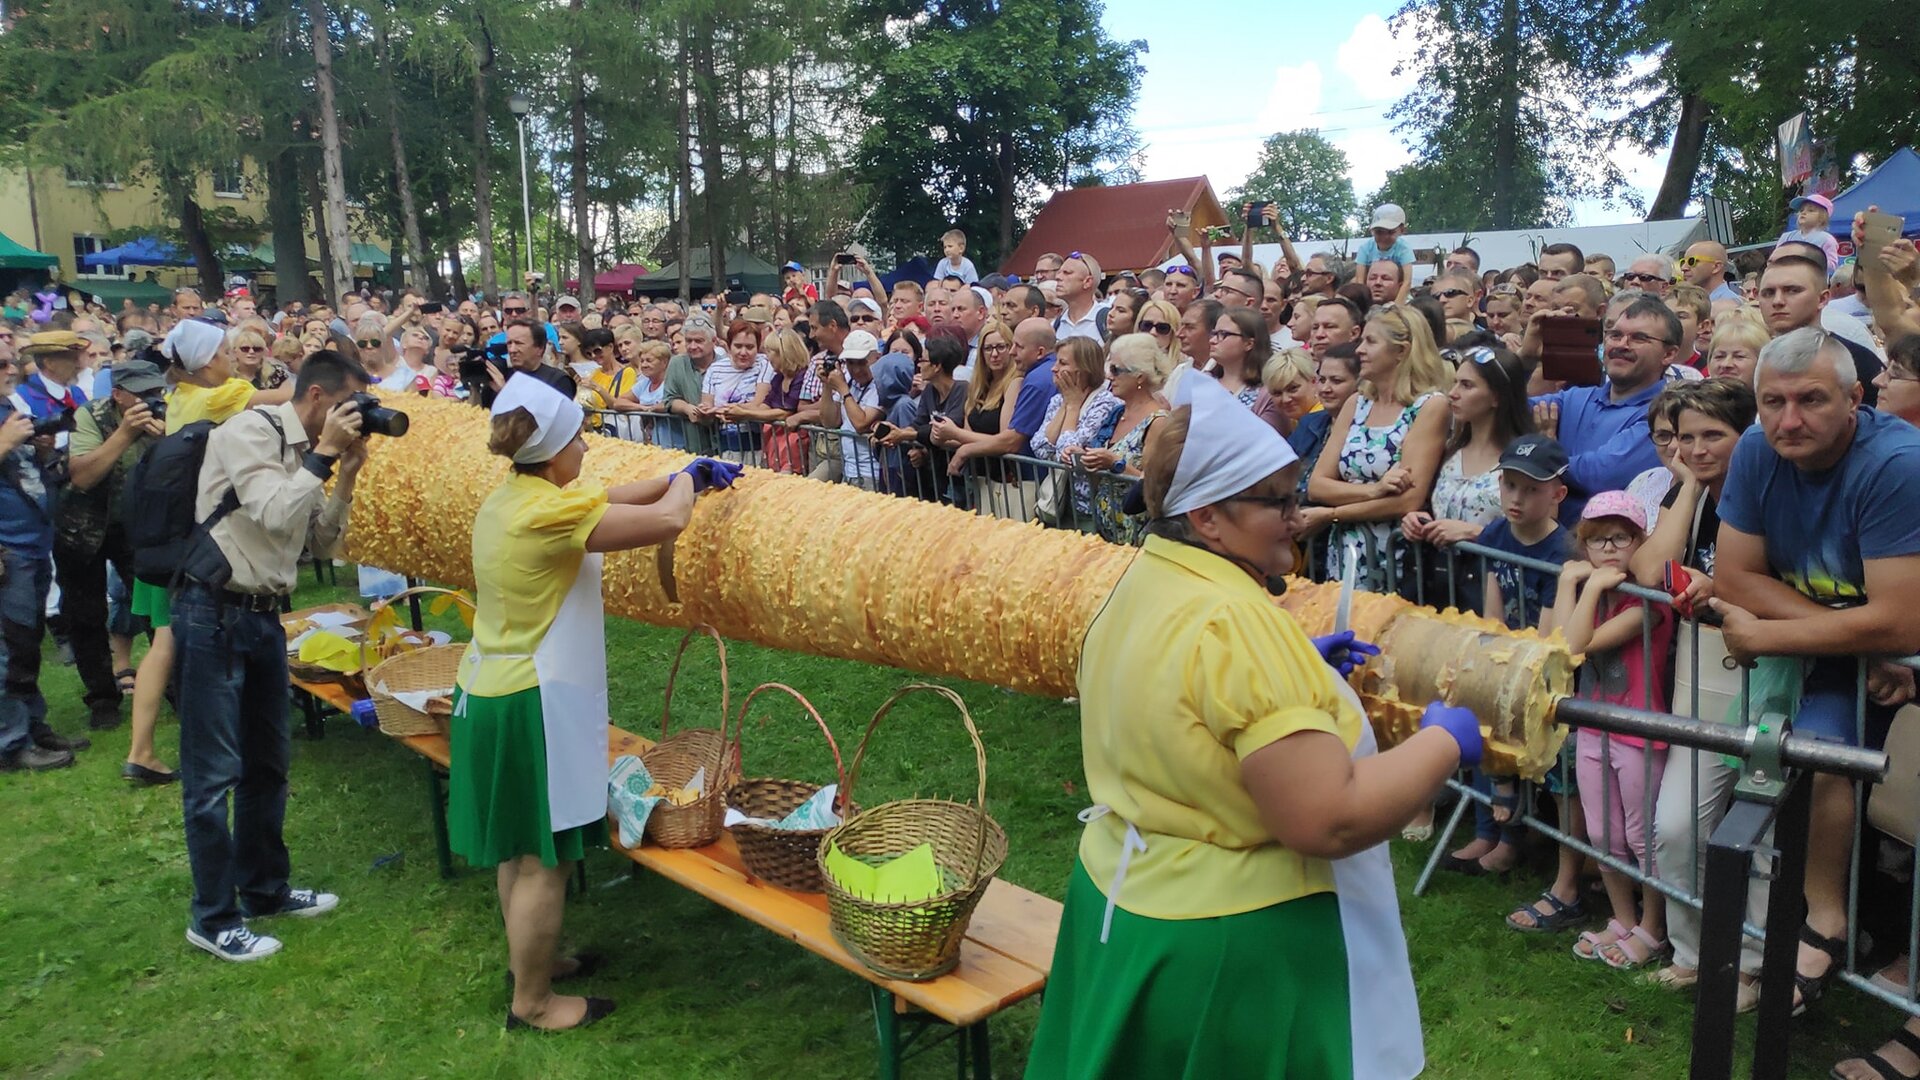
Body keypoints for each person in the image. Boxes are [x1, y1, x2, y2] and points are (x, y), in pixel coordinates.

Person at [1026, 372, 1480, 1080]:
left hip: (1125, 898)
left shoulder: (1146, 577)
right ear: (1209, 516)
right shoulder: (1236, 623)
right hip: (1226, 946)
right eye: (1278, 501)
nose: (1298, 517)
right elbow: (1328, 818)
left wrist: (1295, 671)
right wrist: (1444, 740)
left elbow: (1178, 690)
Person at [455, 376, 731, 1029]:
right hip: (530, 701)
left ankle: (531, 965)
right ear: (553, 453)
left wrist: (679, 475)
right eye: (579, 438)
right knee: (544, 860)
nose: (586, 447)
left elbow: (602, 497)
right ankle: (533, 1003)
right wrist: (686, 483)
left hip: (493, 690)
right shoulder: (543, 513)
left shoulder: (517, 494)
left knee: (519, 849)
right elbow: (668, 521)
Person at [1707, 328, 1920, 1030]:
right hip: (1852, 660)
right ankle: (1825, 922)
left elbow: (1904, 622)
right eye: (1773, 402)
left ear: (1855, 399)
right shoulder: (1755, 450)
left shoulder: (1897, 463)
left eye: (1811, 400)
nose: (1789, 419)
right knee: (1819, 759)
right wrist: (1862, 644)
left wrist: (1773, 635)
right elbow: (1735, 577)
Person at [174, 350, 377, 961]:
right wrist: (323, 456)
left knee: (268, 765)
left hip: (265, 617)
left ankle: (264, 889)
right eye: (348, 407)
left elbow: (321, 543)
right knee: (213, 776)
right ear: (317, 397)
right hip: (213, 612)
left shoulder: (307, 453)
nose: (353, 419)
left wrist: (344, 475)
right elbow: (271, 511)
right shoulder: (248, 433)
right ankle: (214, 918)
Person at [1542, 492, 1674, 970]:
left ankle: (1653, 928)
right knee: (1602, 833)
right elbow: (1557, 648)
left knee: (1642, 836)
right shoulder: (1590, 594)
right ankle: (1623, 919)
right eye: (1597, 541)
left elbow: (1575, 648)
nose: (1610, 549)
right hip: (1594, 728)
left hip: (1639, 730)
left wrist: (1591, 587)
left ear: (1640, 542)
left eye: (1621, 538)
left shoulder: (1649, 602)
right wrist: (1568, 584)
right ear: (1583, 548)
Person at [56, 358, 167, 737]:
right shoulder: (91, 416)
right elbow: (83, 476)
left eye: (156, 391)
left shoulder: (165, 413)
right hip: (82, 527)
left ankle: (170, 686)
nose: (152, 399)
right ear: (118, 394)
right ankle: (103, 697)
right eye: (142, 394)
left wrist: (166, 437)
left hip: (134, 526)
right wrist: (125, 433)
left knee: (156, 607)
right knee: (86, 614)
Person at [1305, 304, 1450, 592]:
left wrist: (1332, 514)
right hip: (1345, 552)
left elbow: (1407, 500)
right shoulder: (1356, 402)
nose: (1359, 350)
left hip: (1396, 558)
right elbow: (1317, 485)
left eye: (1371, 342)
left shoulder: (1430, 406)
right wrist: (1374, 490)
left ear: (1401, 351)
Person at [0, 348, 84, 773]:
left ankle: (33, 726)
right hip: (7, 548)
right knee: (8, 648)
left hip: (32, 541)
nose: (11, 370)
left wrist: (41, 449)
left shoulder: (8, 407)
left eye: (11, 361)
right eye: (1, 364)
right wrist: (5, 443)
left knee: (26, 644)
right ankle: (11, 742)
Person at [1402, 343, 1534, 599]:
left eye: (1467, 385)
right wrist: (1417, 520)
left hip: (1498, 594)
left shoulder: (1526, 460)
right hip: (1440, 587)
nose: (1452, 394)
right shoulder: (1449, 451)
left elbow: (1541, 536)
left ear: (1497, 397)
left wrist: (1475, 534)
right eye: (1454, 383)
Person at [1530, 296, 1677, 519]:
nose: (1621, 345)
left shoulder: (1664, 415)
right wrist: (1526, 357)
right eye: (1615, 335)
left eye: (1639, 338)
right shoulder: (1576, 398)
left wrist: (1544, 453)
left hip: (1603, 539)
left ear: (1669, 354)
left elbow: (1600, 475)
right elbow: (1502, 412)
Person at [1079, 333, 1171, 546]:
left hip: (1135, 533)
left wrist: (1116, 464)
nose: (1109, 376)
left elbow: (1152, 484)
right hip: (1105, 530)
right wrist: (1083, 455)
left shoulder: (1158, 421)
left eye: (1116, 370)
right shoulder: (1117, 412)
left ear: (1139, 376)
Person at [932, 318, 1022, 512]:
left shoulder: (1015, 383)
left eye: (1001, 347)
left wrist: (958, 439)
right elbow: (967, 435)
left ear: (1011, 348)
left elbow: (1004, 440)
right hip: (979, 479)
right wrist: (941, 436)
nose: (994, 354)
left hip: (1004, 481)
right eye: (988, 348)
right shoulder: (978, 386)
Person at [1030, 337, 1119, 528]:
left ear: (1084, 370)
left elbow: (1068, 453)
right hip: (1060, 504)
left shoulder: (1106, 403)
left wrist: (1072, 408)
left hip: (1089, 510)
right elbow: (1039, 448)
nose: (1054, 368)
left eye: (1062, 363)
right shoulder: (1058, 400)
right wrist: (1066, 404)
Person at [880, 335, 968, 502]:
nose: (918, 365)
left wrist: (904, 435)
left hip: (959, 477)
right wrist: (895, 432)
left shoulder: (962, 390)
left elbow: (945, 429)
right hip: (935, 475)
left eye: (923, 360)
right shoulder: (929, 391)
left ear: (937, 366)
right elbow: (919, 423)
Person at [816, 329, 884, 489]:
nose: (856, 369)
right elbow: (829, 422)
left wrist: (843, 390)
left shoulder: (881, 384)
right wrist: (827, 385)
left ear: (877, 358)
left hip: (872, 474)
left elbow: (861, 424)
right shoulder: (847, 381)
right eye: (851, 363)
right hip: (849, 470)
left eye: (862, 362)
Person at [700, 319, 775, 459]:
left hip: (757, 444)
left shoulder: (765, 363)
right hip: (725, 444)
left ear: (758, 347)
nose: (743, 352)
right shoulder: (715, 369)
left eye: (749, 347)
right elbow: (707, 406)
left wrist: (721, 410)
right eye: (738, 346)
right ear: (729, 346)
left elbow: (759, 403)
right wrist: (703, 411)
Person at [660, 315, 719, 453]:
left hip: (725, 441)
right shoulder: (677, 363)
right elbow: (669, 400)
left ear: (714, 341)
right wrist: (686, 408)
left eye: (699, 341)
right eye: (688, 341)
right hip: (693, 441)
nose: (693, 346)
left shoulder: (726, 363)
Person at [1208, 307, 1268, 406]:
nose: (1212, 341)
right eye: (1214, 333)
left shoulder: (1267, 392)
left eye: (1223, 334)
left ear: (1248, 344)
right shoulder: (1202, 382)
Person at [1250, 347, 1317, 437]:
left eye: (1293, 389)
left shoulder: (1325, 422)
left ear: (1313, 382)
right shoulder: (1294, 422)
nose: (1285, 399)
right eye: (1277, 393)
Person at [1776, 192, 1841, 272]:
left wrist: (1810, 259)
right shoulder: (1786, 237)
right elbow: (1775, 259)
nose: (1803, 213)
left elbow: (1832, 266)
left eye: (1811, 210)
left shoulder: (1826, 239)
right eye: (1801, 210)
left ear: (1822, 218)